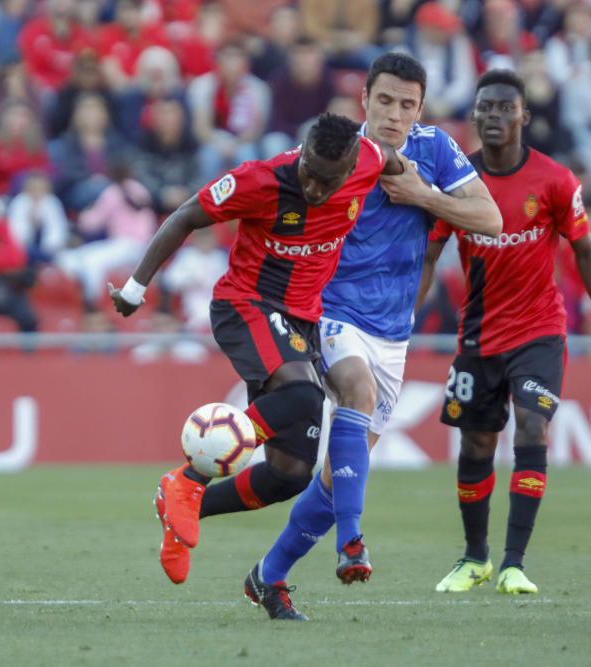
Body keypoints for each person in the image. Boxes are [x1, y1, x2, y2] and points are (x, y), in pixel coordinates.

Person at [109, 112, 405, 620]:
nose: (312, 185)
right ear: (302, 152)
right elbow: (184, 216)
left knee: (291, 472)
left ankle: (185, 509)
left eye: (326, 179)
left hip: (300, 323)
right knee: (304, 397)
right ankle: (187, 478)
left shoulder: (369, 160)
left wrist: (427, 192)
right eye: (308, 170)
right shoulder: (260, 180)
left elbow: (395, 163)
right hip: (246, 304)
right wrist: (136, 289)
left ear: (352, 166)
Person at [246, 51, 502, 618]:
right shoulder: (341, 155)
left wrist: (426, 197)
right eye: (384, 100)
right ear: (364, 99)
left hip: (394, 332)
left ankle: (269, 574)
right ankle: (352, 542)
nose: (394, 114)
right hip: (331, 313)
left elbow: (491, 219)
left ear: (420, 109)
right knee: (356, 395)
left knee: (342, 477)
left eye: (406, 104)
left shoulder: (434, 149)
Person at [419, 70, 591, 595]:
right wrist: (401, 322)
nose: (493, 116)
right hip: (478, 335)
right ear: (474, 116)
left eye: (503, 108)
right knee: (476, 445)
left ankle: (514, 563)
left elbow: (585, 251)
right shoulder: (456, 180)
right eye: (484, 108)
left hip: (539, 330)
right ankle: (475, 558)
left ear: (523, 117)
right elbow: (427, 254)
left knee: (532, 428)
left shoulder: (555, 180)